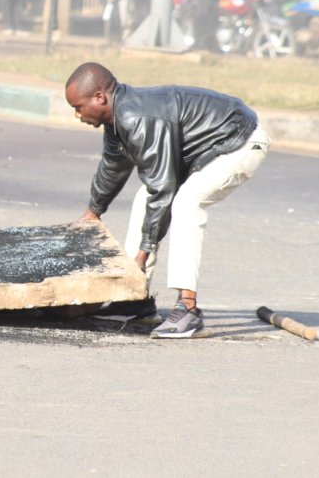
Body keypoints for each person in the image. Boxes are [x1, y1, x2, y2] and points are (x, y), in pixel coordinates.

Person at [65, 62, 270, 339]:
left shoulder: (137, 118)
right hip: (206, 149)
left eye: (78, 106)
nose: (77, 115)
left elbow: (164, 189)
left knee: (186, 202)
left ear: (100, 97)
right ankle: (134, 300)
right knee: (144, 199)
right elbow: (113, 168)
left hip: (239, 141)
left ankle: (188, 309)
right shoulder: (117, 122)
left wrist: (143, 251)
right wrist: (93, 212)